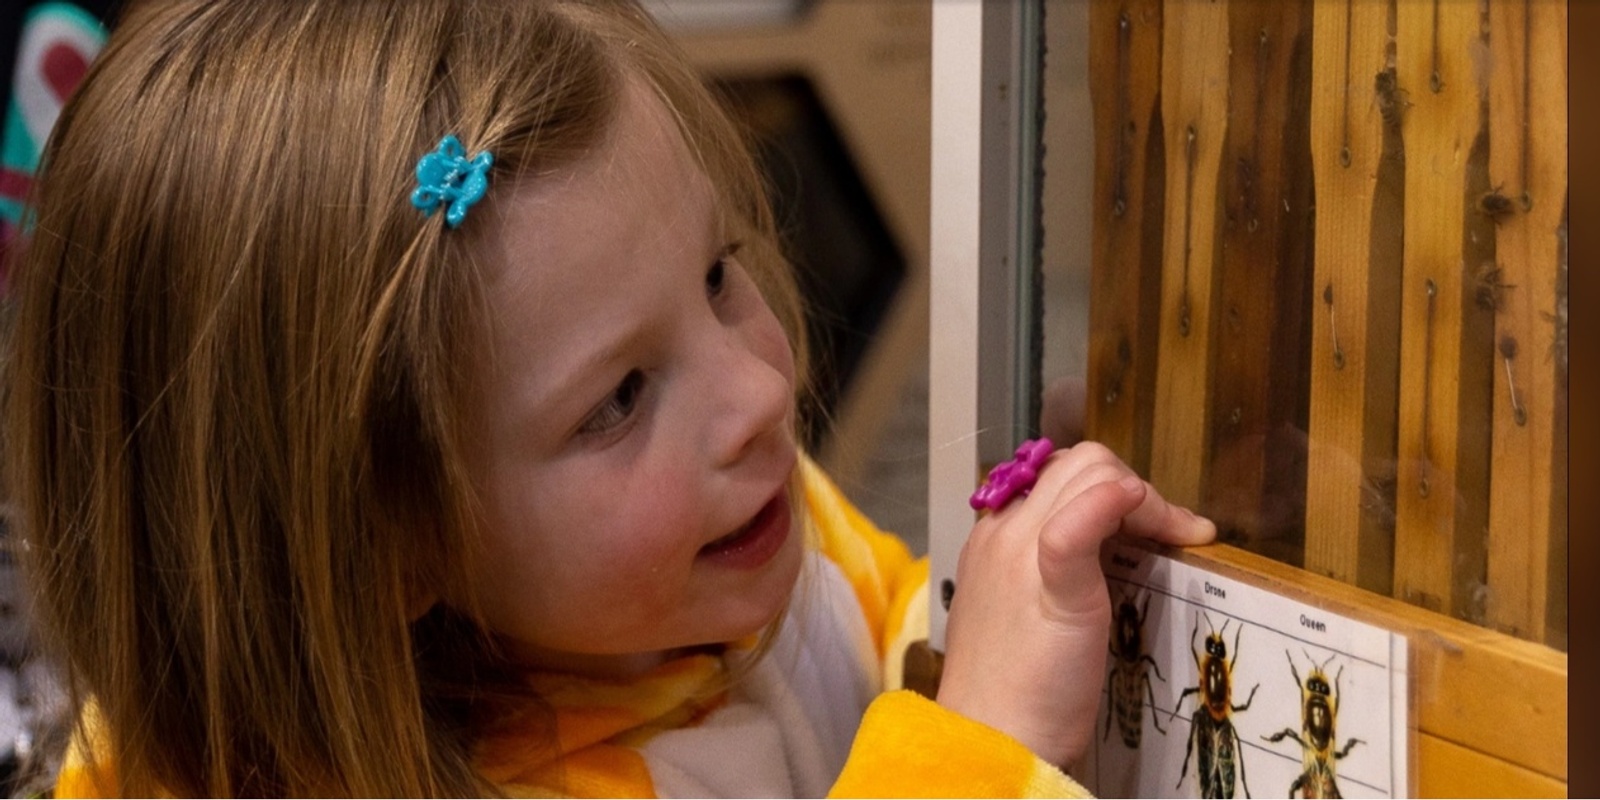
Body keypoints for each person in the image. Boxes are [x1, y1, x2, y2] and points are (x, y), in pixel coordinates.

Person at [2, 0, 1216, 796]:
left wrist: (1010, 598)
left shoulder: (727, 523)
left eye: (719, 272)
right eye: (619, 396)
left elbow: (871, 615)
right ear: (380, 544)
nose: (756, 393)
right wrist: (980, 745)